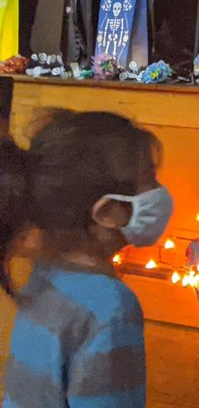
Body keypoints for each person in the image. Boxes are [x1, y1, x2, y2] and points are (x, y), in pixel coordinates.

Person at [0, 109, 174, 407]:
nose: (160, 191)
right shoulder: (112, 305)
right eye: (150, 179)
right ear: (106, 212)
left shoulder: (44, 273)